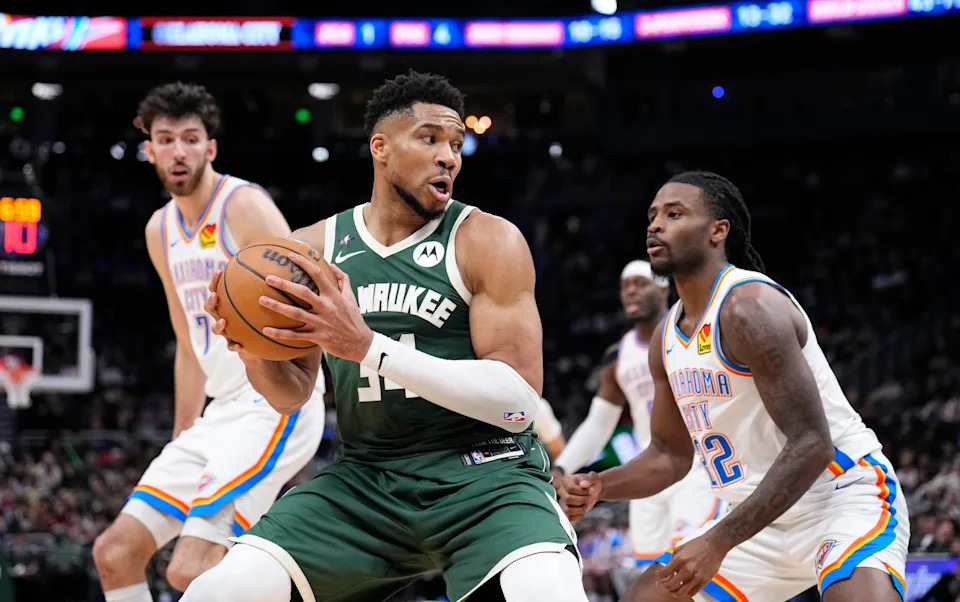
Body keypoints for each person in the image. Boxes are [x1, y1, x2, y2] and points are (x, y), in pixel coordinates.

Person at [184, 70, 587, 602]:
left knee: (550, 594)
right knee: (215, 593)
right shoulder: (311, 249)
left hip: (488, 477)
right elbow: (292, 394)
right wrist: (251, 343)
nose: (449, 156)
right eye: (430, 138)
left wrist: (366, 347)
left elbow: (517, 405)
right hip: (367, 481)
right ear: (381, 148)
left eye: (456, 143)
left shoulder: (487, 240)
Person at [557, 171, 909, 602]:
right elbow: (669, 455)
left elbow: (813, 444)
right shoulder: (665, 340)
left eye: (674, 214)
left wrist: (718, 541)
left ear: (717, 231)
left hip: (837, 497)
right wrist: (599, 486)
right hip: (756, 520)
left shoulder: (748, 308)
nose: (654, 225)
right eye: (651, 216)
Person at [92, 82, 325, 601]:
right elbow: (186, 338)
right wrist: (183, 433)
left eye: (191, 138)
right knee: (115, 554)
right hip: (220, 413)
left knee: (190, 570)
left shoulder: (243, 205)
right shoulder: (160, 229)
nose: (179, 151)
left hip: (273, 403)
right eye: (166, 139)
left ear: (210, 148)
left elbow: (310, 298)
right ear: (149, 149)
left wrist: (305, 389)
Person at [553, 259, 723, 567]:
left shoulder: (696, 331)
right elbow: (598, 424)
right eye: (624, 286)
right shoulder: (618, 356)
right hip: (646, 471)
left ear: (663, 288)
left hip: (699, 466)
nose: (630, 291)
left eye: (639, 284)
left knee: (692, 572)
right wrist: (562, 468)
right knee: (652, 576)